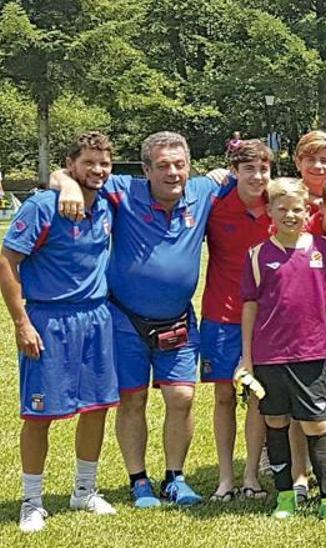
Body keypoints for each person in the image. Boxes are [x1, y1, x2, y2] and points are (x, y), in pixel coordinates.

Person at [53, 131, 222, 508]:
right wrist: (65, 183)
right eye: (162, 166)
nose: (173, 173)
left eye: (179, 165)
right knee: (133, 399)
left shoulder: (204, 192)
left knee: (182, 396)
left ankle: (176, 478)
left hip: (178, 318)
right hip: (125, 319)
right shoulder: (123, 191)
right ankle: (138, 480)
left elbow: (249, 183)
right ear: (145, 169)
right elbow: (72, 173)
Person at [1, 132, 119, 533]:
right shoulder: (42, 206)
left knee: (97, 407)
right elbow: (7, 260)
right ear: (71, 164)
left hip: (96, 317)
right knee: (39, 414)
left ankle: (84, 490)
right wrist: (21, 322)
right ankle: (31, 501)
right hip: (49, 320)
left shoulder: (106, 203)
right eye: (88, 163)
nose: (98, 170)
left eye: (104, 163)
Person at [237, 177, 326, 527]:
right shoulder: (257, 256)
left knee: (316, 425)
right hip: (270, 356)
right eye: (281, 209)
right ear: (269, 211)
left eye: (297, 209)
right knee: (276, 424)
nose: (290, 215)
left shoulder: (323, 248)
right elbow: (250, 307)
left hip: (310, 353)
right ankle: (285, 495)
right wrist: (247, 359)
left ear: (308, 211)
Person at [200, 139, 276, 502]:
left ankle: (251, 477)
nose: (258, 176)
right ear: (234, 171)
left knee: (258, 396)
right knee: (224, 395)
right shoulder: (214, 206)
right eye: (249, 169)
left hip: (265, 317)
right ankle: (225, 478)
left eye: (264, 169)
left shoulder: (276, 207)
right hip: (221, 313)